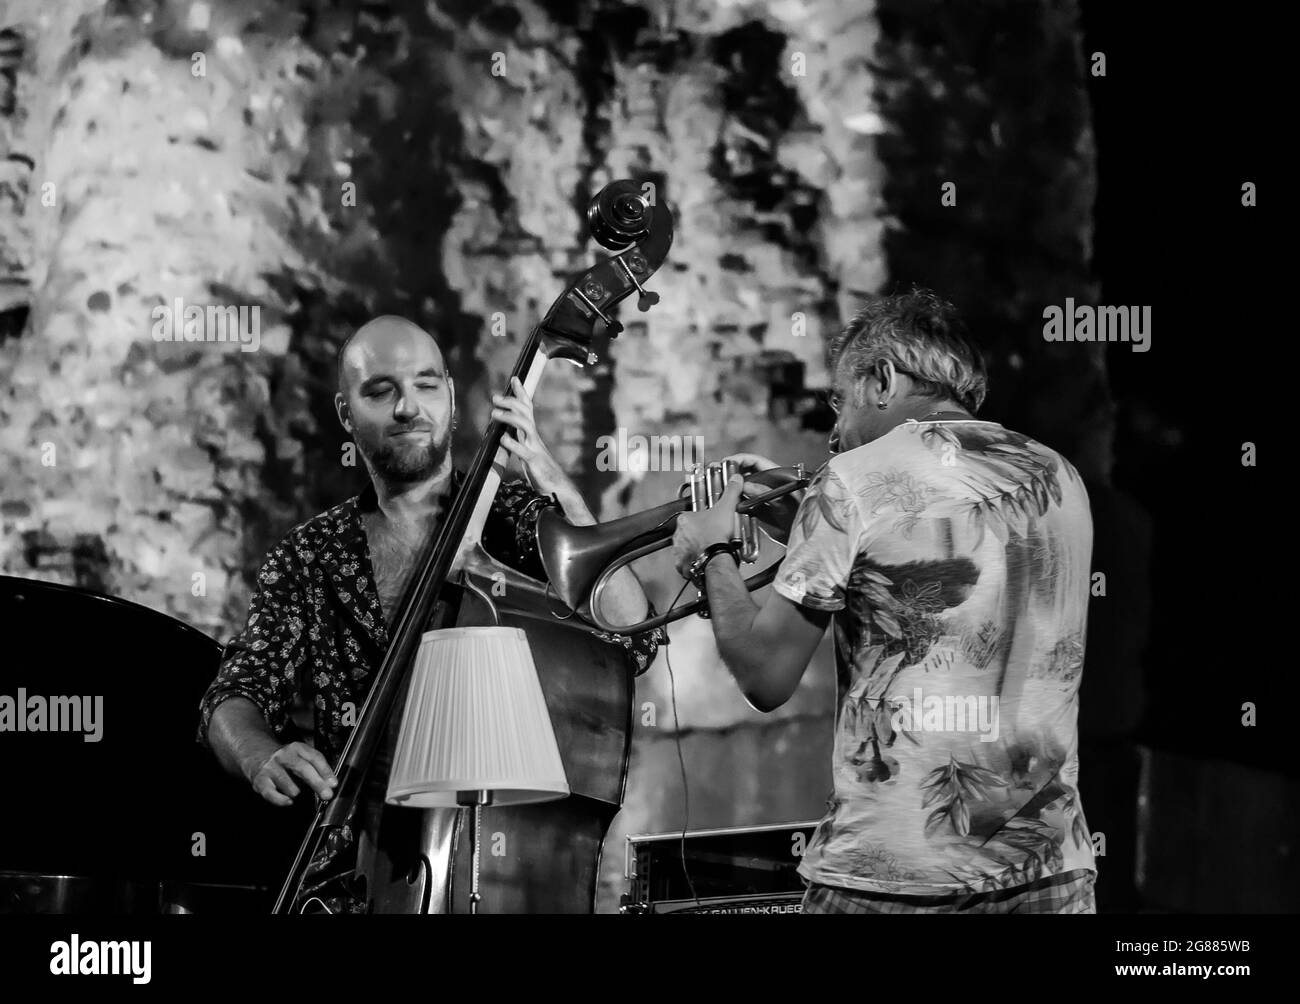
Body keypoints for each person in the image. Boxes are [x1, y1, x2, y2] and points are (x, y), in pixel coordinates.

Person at [672, 289, 1096, 914]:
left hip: (892, 877)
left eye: (839, 403)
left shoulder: (851, 480)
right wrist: (810, 539)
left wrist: (713, 556)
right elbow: (940, 585)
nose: (837, 433)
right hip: (1049, 874)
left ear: (883, 380)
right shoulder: (1059, 475)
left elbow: (765, 678)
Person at [199, 315, 664, 808]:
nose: (407, 407)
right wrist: (257, 755)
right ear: (345, 413)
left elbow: (632, 638)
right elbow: (237, 690)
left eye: (425, 384)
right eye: (379, 392)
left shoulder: (515, 523)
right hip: (358, 858)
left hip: (505, 836)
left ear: (451, 396)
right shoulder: (309, 555)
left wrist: (552, 478)